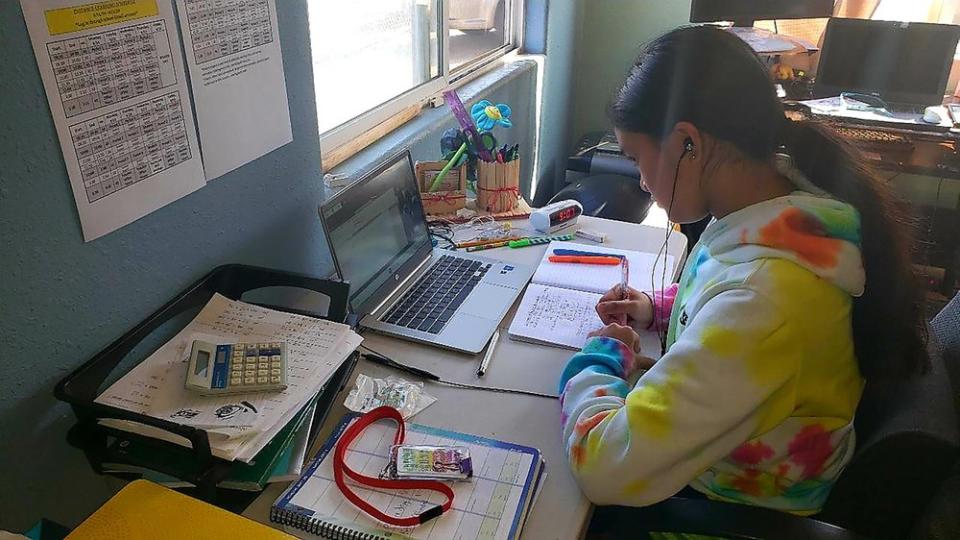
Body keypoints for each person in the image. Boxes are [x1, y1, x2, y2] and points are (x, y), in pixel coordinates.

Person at [558, 25, 928, 515]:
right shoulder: (787, 211)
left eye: (635, 158)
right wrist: (660, 310)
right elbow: (732, 297)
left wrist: (597, 359)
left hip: (726, 510)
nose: (643, 182)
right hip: (735, 452)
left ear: (687, 142)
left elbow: (604, 467)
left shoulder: (766, 302)